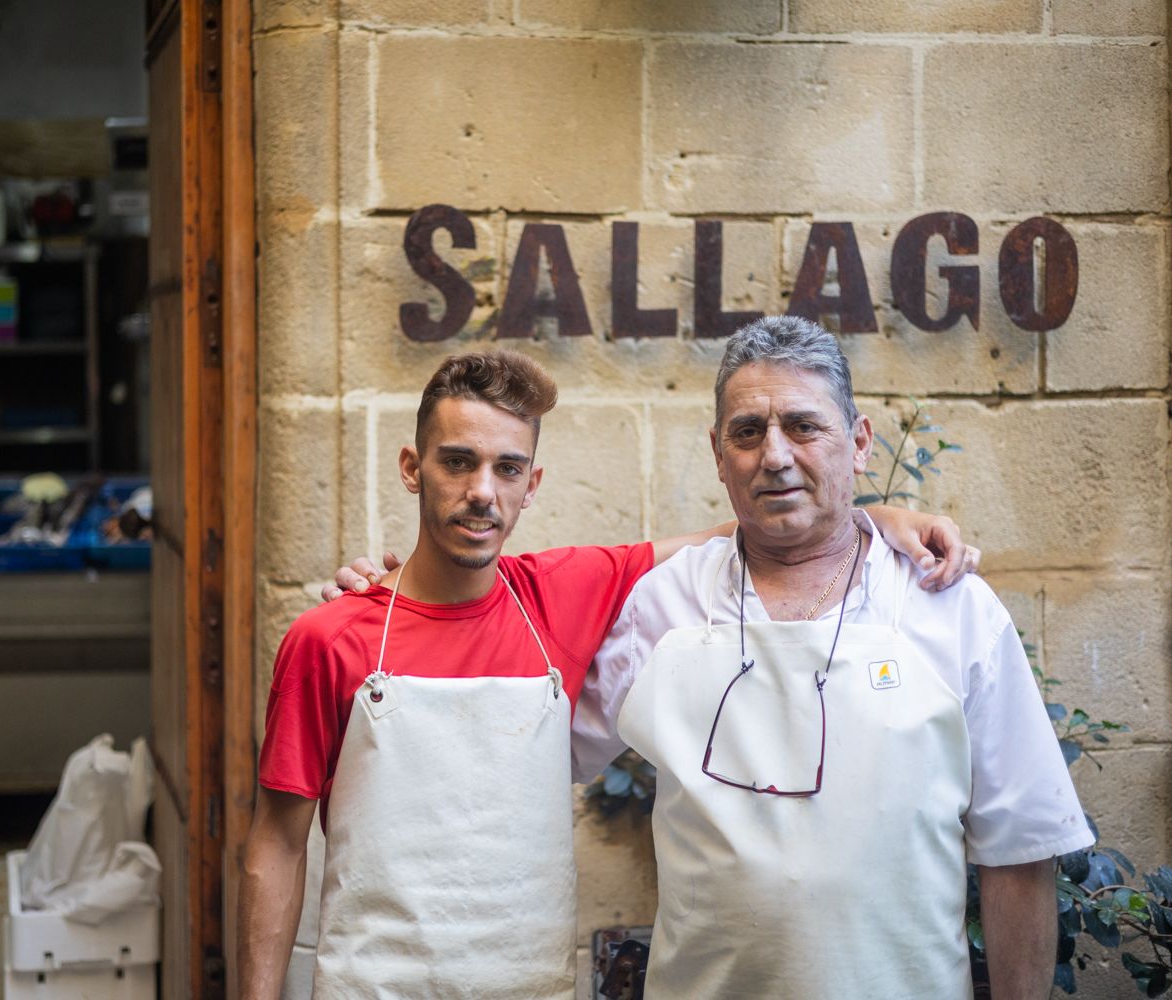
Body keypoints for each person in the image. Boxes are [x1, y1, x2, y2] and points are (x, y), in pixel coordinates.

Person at [240, 350, 975, 1000]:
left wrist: (874, 516)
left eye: (508, 468)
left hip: (529, 984)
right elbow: (275, 844)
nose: (482, 493)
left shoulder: (561, 594)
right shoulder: (328, 637)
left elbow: (751, 525)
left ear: (534, 484)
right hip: (373, 985)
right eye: (457, 461)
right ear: (412, 468)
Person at [571, 316, 1093, 1000]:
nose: (776, 455)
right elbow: (536, 755)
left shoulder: (949, 605)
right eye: (748, 432)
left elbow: (1019, 849)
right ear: (718, 453)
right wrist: (407, 588)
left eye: (803, 426)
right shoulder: (662, 605)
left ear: (860, 442)